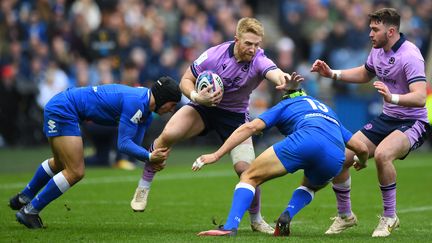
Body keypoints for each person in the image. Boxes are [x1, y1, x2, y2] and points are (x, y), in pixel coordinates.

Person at [130, 17, 299, 234]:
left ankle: (256, 219)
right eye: (248, 43)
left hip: (235, 117)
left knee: (247, 171)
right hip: (203, 108)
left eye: (257, 44)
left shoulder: (259, 58)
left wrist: (284, 80)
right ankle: (144, 186)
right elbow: (185, 80)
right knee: (168, 134)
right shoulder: (214, 55)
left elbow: (273, 72)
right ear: (236, 39)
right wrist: (196, 97)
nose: (253, 49)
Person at [310, 8, 430, 237]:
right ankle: (345, 216)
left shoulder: (410, 55)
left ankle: (389, 217)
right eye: (370, 28)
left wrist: (391, 97)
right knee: (341, 156)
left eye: (375, 29)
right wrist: (331, 73)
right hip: (387, 119)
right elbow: (366, 74)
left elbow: (420, 97)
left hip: (413, 121)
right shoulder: (378, 50)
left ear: (391, 31)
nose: (370, 34)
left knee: (384, 155)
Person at [8, 77, 182, 229]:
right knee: (75, 171)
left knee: (61, 163)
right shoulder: (136, 102)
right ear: (162, 98)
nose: (171, 109)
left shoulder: (146, 111)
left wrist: (149, 159)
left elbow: (135, 148)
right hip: (64, 109)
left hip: (64, 106)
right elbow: (123, 144)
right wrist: (150, 157)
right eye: (172, 104)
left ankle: (25, 197)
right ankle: (30, 211)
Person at [192, 88, 369, 237]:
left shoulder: (286, 104)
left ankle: (230, 227)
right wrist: (362, 162)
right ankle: (288, 214)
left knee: (249, 176)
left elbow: (250, 127)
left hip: (305, 140)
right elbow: (361, 148)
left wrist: (217, 155)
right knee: (310, 187)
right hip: (335, 155)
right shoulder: (328, 111)